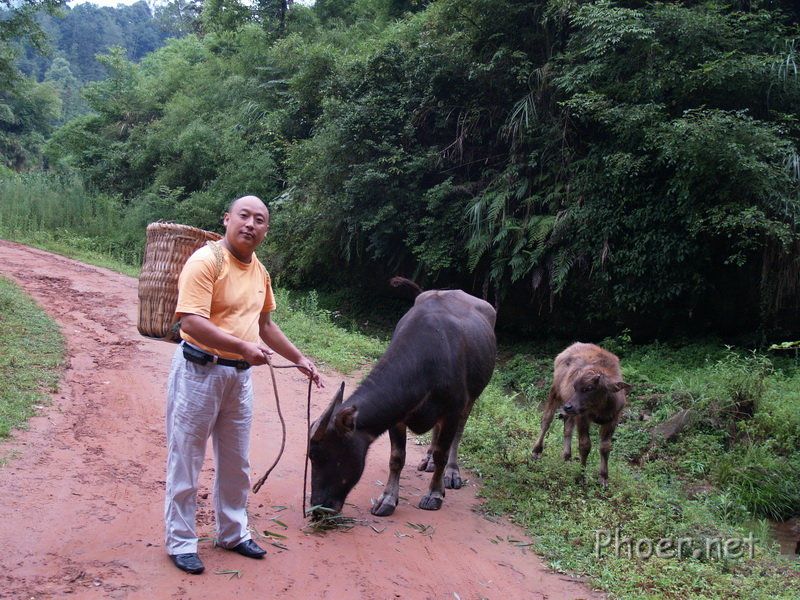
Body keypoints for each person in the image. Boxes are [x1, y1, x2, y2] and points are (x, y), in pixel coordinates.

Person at [164, 195, 322, 575]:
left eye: (260, 220)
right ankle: (181, 542)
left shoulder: (260, 273)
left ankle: (233, 533)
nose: (251, 224)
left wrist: (299, 359)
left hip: (239, 378)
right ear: (227, 219)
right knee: (187, 460)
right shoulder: (207, 261)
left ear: (266, 230)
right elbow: (190, 322)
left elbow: (266, 325)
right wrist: (241, 347)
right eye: (244, 216)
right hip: (198, 372)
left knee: (237, 463)